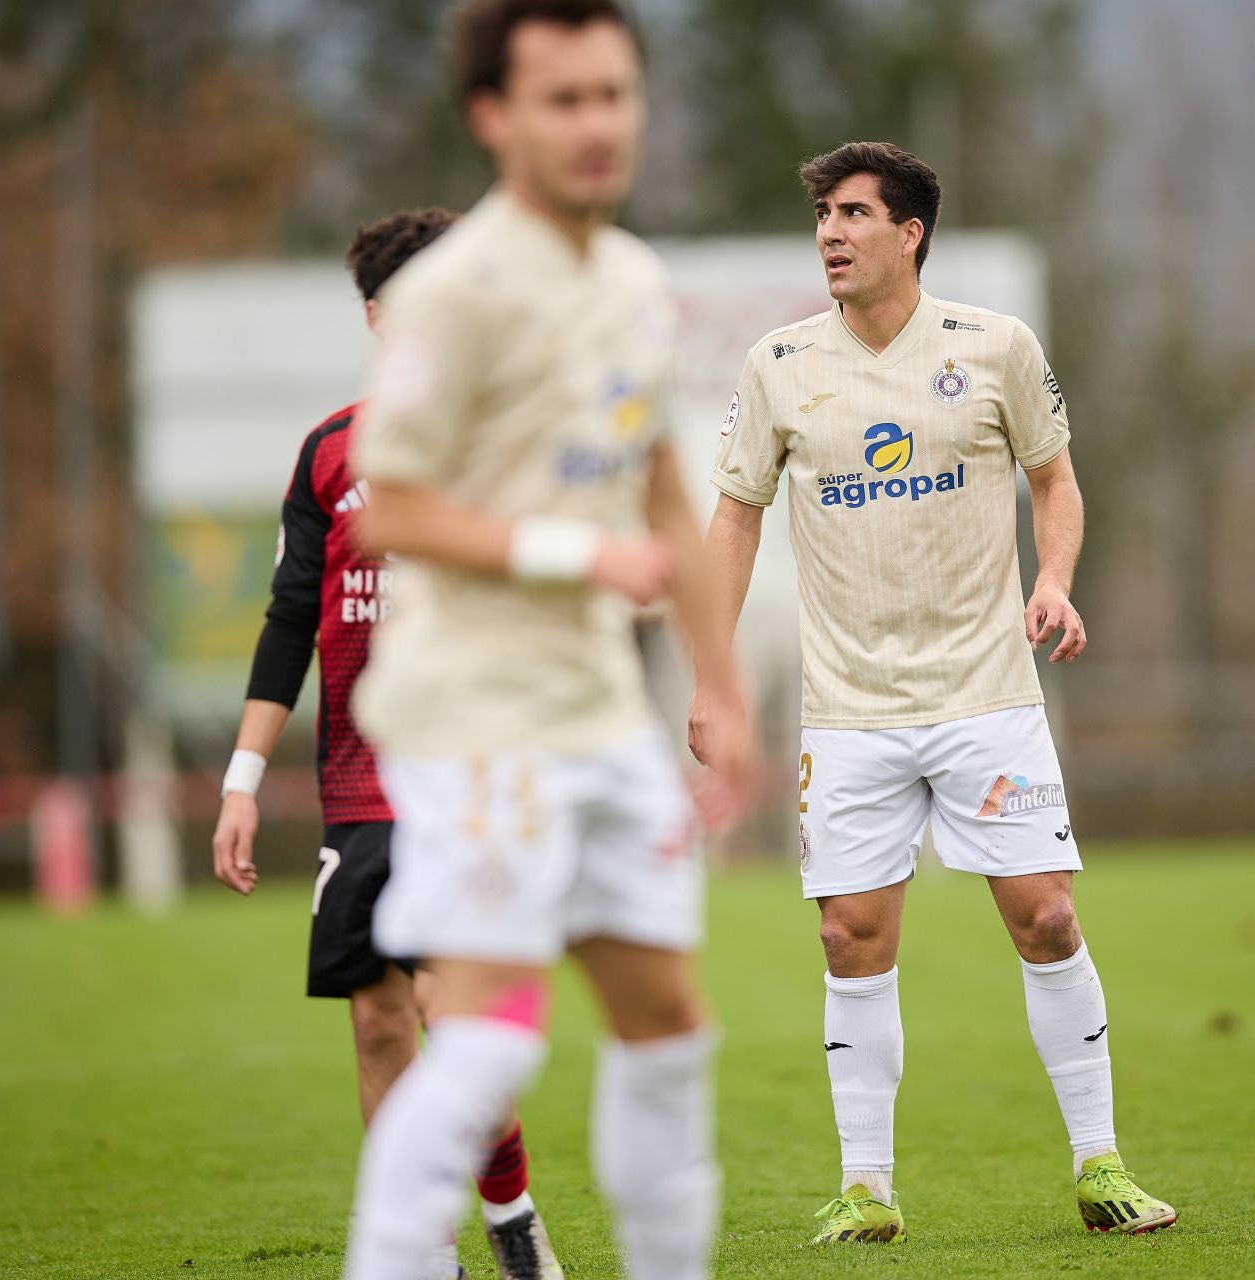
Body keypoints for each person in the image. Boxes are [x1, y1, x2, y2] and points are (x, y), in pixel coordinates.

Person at [691, 140, 1177, 1242]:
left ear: (909, 232)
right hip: (850, 709)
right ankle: (866, 1189)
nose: (830, 232)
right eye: (822, 213)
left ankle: (1102, 1165)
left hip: (986, 697)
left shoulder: (995, 347)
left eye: (854, 212)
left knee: (1046, 915)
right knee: (850, 936)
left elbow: (1055, 479)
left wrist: (1052, 581)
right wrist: (714, 675)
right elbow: (733, 517)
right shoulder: (777, 363)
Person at [340, 2, 754, 1278]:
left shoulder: (632, 281)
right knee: (488, 1043)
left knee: (670, 1024)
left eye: (614, 94)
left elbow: (665, 491)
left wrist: (724, 690)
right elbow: (386, 505)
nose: (597, 124)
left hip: (598, 720)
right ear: (494, 117)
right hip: (476, 720)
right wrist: (569, 555)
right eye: (564, 99)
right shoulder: (450, 293)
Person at [210, 207, 562, 1279]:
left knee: (458, 1013)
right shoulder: (328, 451)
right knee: (377, 1020)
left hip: (477, 771)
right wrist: (241, 777)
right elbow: (287, 617)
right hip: (361, 784)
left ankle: (510, 1212)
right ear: (374, 316)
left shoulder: (506, 436)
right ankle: (427, 1254)